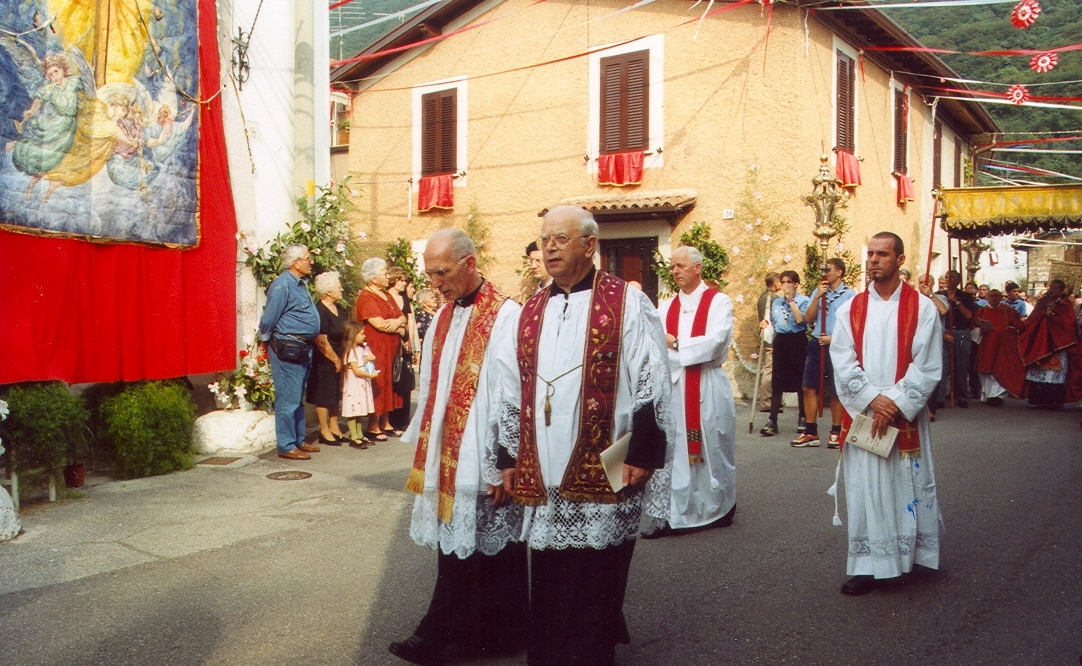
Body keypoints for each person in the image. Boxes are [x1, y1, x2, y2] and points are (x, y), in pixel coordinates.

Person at [498, 205, 672, 666]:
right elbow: (510, 388)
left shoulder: (627, 302)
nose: (549, 247)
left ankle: (592, 655)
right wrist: (508, 456)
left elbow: (653, 376)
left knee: (600, 566)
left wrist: (645, 451)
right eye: (544, 239)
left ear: (589, 245)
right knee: (551, 571)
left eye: (560, 238)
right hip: (544, 461)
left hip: (610, 453)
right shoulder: (531, 309)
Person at [390, 229, 528, 665]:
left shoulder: (506, 315)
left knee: (490, 550)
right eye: (429, 274)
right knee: (459, 547)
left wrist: (504, 460)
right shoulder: (445, 315)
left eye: (442, 272)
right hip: (450, 450)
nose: (435, 282)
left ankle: (454, 635)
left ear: (469, 263)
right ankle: (478, 633)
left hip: (483, 452)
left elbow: (514, 393)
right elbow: (433, 385)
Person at [829, 231, 943, 596]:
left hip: (903, 413)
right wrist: (873, 400)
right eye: (870, 254)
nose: (873, 260)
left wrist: (894, 403)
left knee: (906, 484)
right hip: (865, 411)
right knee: (864, 488)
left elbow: (926, 364)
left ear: (900, 260)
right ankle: (867, 565)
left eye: (882, 254)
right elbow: (843, 362)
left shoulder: (922, 308)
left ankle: (912, 556)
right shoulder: (850, 309)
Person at [649, 246, 736, 537]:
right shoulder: (666, 306)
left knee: (711, 445)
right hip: (675, 386)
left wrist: (676, 344)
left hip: (707, 386)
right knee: (677, 449)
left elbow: (715, 343)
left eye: (681, 265)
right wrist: (676, 347)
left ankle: (720, 507)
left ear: (697, 268)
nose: (675, 271)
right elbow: (656, 346)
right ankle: (677, 514)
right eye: (673, 266)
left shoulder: (718, 302)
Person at [258, 243, 322, 461]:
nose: (311, 261)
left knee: (297, 397)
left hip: (302, 348)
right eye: (307, 258)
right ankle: (286, 445)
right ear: (296, 263)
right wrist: (266, 342)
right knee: (288, 398)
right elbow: (268, 319)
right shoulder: (282, 285)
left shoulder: (300, 283)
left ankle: (298, 439)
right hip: (288, 349)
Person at [791, 258, 855, 449]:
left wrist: (833, 338)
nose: (824, 273)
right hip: (816, 343)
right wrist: (818, 296)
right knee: (808, 387)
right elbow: (807, 319)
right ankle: (811, 432)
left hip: (836, 346)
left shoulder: (850, 295)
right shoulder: (818, 291)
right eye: (823, 269)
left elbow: (853, 326)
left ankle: (836, 431)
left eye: (829, 269)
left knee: (836, 390)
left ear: (840, 272)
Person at [356, 258, 407, 442]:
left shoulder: (387, 295)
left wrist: (396, 323)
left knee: (390, 383)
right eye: (384, 273)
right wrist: (397, 325)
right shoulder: (366, 297)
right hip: (376, 348)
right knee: (377, 383)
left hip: (391, 348)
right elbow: (378, 324)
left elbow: (403, 318)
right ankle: (372, 424)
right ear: (372, 278)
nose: (388, 276)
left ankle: (386, 422)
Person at [1017, 279, 1082, 409]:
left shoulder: (1065, 305)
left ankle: (1054, 402)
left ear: (1060, 290)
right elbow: (1033, 319)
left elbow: (1069, 324)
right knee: (1040, 372)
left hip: (1058, 344)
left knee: (1055, 374)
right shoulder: (1042, 302)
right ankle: (1038, 400)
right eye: (1050, 287)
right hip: (1041, 343)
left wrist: (1053, 320)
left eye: (1054, 288)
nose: (1051, 290)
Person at [760, 271, 810, 437]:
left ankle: (803, 418)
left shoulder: (804, 301)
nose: (785, 285)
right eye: (783, 282)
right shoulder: (776, 303)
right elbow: (774, 323)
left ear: (796, 284)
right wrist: (766, 324)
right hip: (781, 341)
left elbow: (800, 320)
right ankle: (772, 420)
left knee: (800, 381)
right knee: (777, 381)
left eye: (789, 282)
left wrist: (791, 301)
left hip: (797, 341)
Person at [306, 271, 350, 446]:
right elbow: (321, 339)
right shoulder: (320, 310)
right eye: (338, 286)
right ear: (328, 291)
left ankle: (334, 427)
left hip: (339, 356)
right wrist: (335, 359)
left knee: (334, 394)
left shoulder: (339, 309)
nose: (341, 288)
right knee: (324, 395)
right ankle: (324, 430)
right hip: (324, 359)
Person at [971, 289, 1023, 406]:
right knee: (986, 371)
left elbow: (1018, 327)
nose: (994, 298)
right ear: (988, 297)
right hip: (986, 344)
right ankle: (987, 394)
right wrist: (980, 330)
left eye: (996, 296)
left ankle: (997, 396)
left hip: (1003, 346)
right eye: (991, 296)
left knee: (999, 369)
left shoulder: (1009, 311)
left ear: (1001, 297)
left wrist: (1008, 331)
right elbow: (973, 328)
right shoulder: (981, 311)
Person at [933, 270, 975, 410]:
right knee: (943, 365)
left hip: (961, 332)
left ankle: (961, 396)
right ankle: (939, 398)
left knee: (961, 365)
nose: (948, 280)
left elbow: (969, 315)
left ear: (958, 280)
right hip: (945, 331)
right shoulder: (939, 296)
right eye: (946, 277)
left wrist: (956, 301)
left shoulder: (966, 297)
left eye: (951, 277)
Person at [387, 268, 416, 434]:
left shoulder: (404, 298)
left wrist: (409, 340)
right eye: (402, 280)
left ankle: (403, 421)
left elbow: (409, 320)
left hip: (405, 342)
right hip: (393, 341)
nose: (404, 283)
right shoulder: (387, 297)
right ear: (394, 280)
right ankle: (391, 420)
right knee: (393, 380)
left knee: (404, 379)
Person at [340, 319, 378, 448]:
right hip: (354, 384)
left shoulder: (361, 349)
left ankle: (359, 434)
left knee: (360, 409)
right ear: (353, 335)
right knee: (353, 409)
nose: (364, 336)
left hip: (361, 384)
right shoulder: (351, 351)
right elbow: (356, 370)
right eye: (361, 334)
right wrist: (370, 375)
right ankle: (354, 436)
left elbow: (370, 357)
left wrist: (372, 358)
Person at [756, 273, 781, 413]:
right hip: (772, 337)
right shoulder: (773, 298)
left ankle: (770, 400)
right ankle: (766, 402)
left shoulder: (762, 297)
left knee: (771, 368)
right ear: (775, 283)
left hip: (768, 336)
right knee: (770, 368)